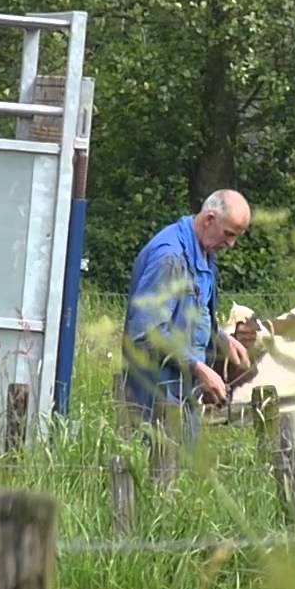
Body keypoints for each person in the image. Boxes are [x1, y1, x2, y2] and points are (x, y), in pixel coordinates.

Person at [121, 189, 253, 443]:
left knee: (182, 474)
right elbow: (146, 332)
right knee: (158, 473)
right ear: (209, 219)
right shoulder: (170, 257)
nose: (231, 244)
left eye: (236, 236)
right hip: (155, 394)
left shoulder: (204, 254)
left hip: (183, 392)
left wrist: (221, 337)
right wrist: (199, 368)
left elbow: (193, 311)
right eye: (228, 234)